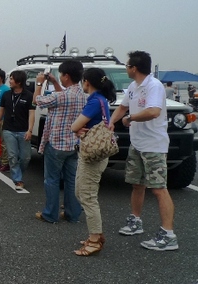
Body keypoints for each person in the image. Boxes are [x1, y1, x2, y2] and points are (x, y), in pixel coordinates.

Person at [109, 51, 178, 251]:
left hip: (153, 146)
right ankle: (135, 221)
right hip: (137, 144)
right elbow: (122, 108)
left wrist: (130, 119)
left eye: (127, 66)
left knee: (158, 189)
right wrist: (111, 124)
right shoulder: (133, 86)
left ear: (134, 68)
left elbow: (153, 111)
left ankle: (168, 235)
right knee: (137, 185)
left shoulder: (153, 86)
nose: (126, 68)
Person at [70, 68, 116, 256]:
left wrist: (77, 129)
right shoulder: (102, 100)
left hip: (92, 155)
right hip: (96, 153)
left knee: (87, 196)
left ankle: (95, 239)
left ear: (87, 82)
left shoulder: (94, 102)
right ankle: (96, 233)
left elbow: (75, 125)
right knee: (80, 192)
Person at [33, 60, 86, 223]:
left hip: (56, 143)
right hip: (74, 144)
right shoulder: (82, 95)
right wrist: (55, 82)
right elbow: (62, 96)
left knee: (52, 180)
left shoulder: (60, 96)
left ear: (67, 76)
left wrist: (39, 83)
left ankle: (50, 214)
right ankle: (72, 214)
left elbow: (36, 100)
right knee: (71, 181)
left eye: (61, 75)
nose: (60, 78)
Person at [0, 70, 35, 191]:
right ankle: (18, 179)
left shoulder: (28, 95)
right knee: (12, 156)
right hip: (8, 130)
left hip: (23, 130)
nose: (10, 81)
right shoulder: (6, 94)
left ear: (19, 81)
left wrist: (30, 130)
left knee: (26, 157)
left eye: (11, 79)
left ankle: (18, 174)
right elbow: (1, 110)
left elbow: (32, 114)